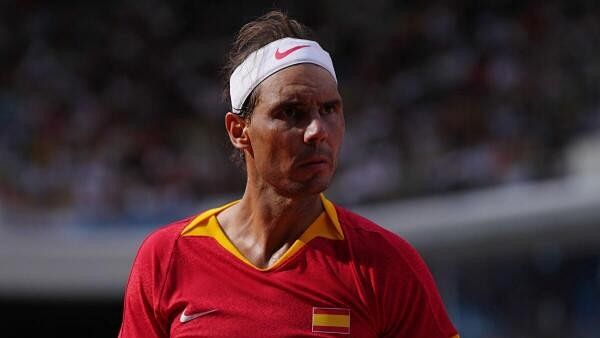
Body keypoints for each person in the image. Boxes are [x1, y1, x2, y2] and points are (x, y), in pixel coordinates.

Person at [119, 10, 459, 338]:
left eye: (330, 109)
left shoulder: (387, 265)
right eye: (291, 112)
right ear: (239, 130)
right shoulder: (168, 258)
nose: (317, 130)